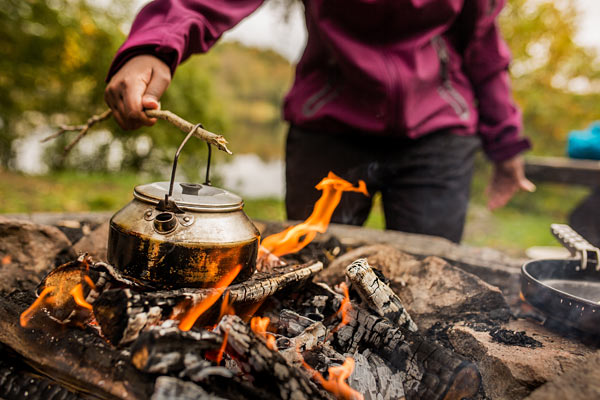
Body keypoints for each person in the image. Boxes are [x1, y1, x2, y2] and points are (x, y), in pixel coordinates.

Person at [105, 0, 535, 243]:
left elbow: (484, 50)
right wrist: (154, 47)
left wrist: (507, 145)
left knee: (430, 270)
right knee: (312, 263)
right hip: (330, 127)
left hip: (439, 136)